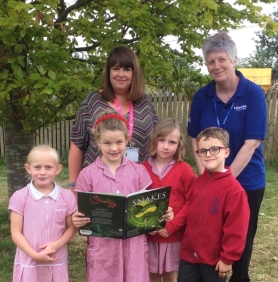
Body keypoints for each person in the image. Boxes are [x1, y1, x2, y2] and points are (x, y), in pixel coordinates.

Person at [187, 32, 267, 282]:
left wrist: (225, 178)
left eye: (222, 59)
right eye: (211, 62)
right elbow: (194, 138)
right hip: (209, 180)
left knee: (239, 240)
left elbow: (252, 142)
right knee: (210, 236)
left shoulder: (253, 94)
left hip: (246, 182)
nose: (216, 66)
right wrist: (205, 176)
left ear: (234, 59)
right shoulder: (202, 96)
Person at [72, 110, 173, 282]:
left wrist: (162, 214)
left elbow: (147, 207)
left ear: (127, 139)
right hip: (103, 246)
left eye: (119, 142)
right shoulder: (87, 174)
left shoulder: (138, 171)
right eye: (107, 143)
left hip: (133, 246)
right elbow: (79, 210)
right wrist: (76, 218)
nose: (113, 148)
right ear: (97, 142)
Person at [68, 46, 158, 195]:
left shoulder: (145, 103)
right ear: (109, 71)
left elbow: (157, 142)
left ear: (134, 73)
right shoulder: (92, 102)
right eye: (116, 68)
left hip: (136, 185)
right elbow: (77, 144)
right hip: (97, 186)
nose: (121, 74)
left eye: (127, 69)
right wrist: (73, 185)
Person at [177, 127, 249, 282]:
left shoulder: (234, 191)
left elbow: (237, 229)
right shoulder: (199, 182)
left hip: (214, 261)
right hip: (189, 257)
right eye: (203, 151)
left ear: (226, 152)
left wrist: (227, 258)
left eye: (214, 149)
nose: (208, 154)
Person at [9, 145, 76, 282]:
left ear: (58, 169)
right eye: (37, 167)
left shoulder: (67, 197)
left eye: (48, 167)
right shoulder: (20, 197)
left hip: (56, 260)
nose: (42, 172)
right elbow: (16, 233)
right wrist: (34, 255)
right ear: (28, 168)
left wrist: (56, 245)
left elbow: (71, 227)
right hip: (29, 262)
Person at [142, 118, 196, 282]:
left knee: (170, 274)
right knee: (152, 274)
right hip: (149, 235)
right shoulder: (141, 169)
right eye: (161, 140)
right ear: (154, 141)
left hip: (173, 235)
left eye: (172, 142)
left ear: (179, 145)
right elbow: (136, 202)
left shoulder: (185, 170)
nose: (166, 146)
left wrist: (172, 226)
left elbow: (191, 203)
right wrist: (146, 227)